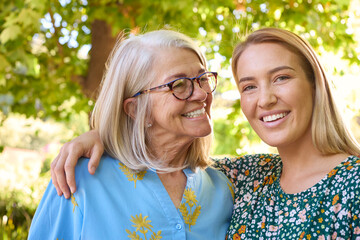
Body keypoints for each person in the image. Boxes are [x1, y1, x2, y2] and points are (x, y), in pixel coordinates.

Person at [49, 28, 360, 239]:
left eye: (281, 78)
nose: (200, 94)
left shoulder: (352, 183)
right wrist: (101, 135)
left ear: (316, 84)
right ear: (134, 109)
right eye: (249, 86)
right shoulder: (246, 179)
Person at [28, 30, 235, 240]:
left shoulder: (223, 187)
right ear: (136, 109)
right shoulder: (77, 180)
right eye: (179, 85)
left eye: (202, 78)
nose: (202, 93)